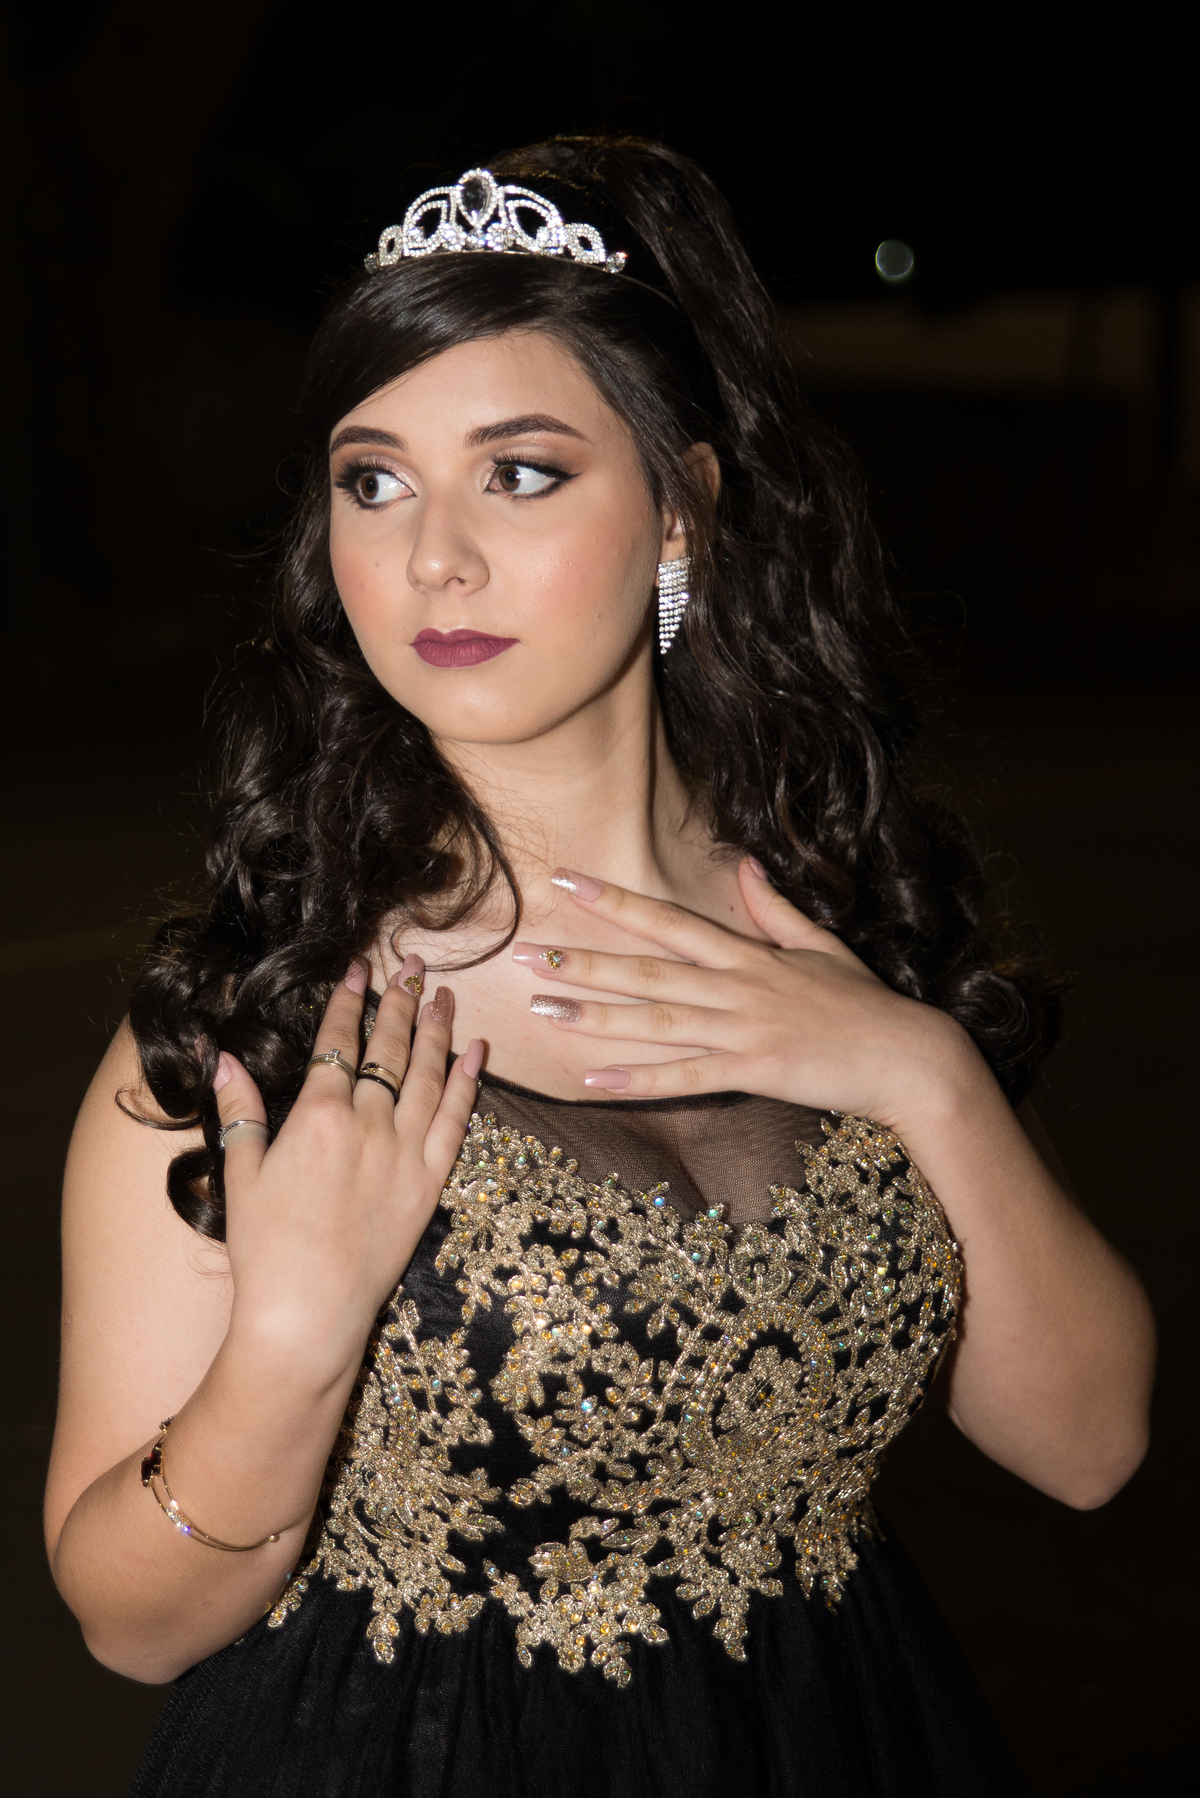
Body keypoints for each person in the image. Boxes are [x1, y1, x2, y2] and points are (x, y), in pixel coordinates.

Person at [45, 137, 1154, 1798]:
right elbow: (128, 1626)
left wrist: (915, 1069)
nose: (432, 556)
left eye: (520, 472)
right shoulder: (257, 1015)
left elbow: (1088, 1446)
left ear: (680, 507)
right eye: (373, 481)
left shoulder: (843, 930)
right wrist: (289, 1336)